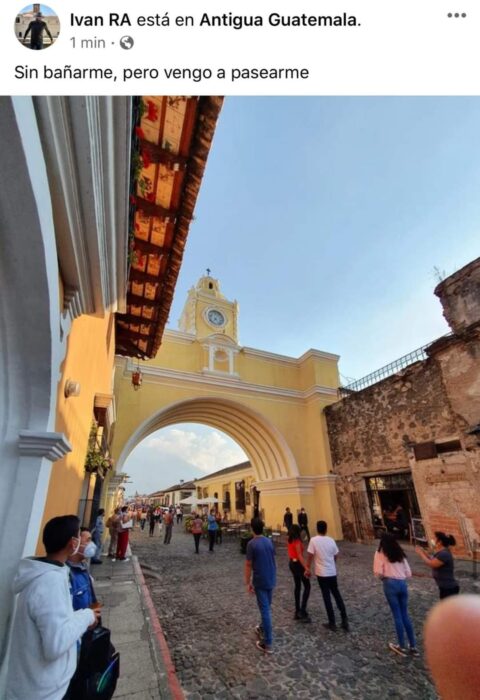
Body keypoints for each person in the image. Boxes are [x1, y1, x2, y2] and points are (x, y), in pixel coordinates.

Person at [5, 515, 99, 700]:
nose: (85, 542)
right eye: (80, 537)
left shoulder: (49, 575)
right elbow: (56, 643)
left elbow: (56, 622)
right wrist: (86, 615)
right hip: (46, 693)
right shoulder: (50, 583)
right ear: (73, 543)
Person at [374, 533, 418, 657]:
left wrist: (383, 578)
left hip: (390, 584)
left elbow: (378, 572)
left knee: (397, 615)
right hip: (402, 584)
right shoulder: (400, 554)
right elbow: (408, 573)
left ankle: (401, 646)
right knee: (405, 614)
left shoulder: (380, 553)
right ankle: (413, 646)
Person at [305, 520, 349, 631]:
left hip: (321, 573)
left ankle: (332, 622)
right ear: (326, 529)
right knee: (337, 594)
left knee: (326, 596)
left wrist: (307, 568)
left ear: (317, 528)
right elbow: (336, 555)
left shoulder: (313, 540)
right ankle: (344, 619)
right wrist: (332, 564)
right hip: (332, 572)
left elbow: (310, 556)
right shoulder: (331, 540)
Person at [245, 517, 276, 654]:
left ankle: (267, 643)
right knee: (267, 606)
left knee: (265, 610)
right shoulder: (269, 541)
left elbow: (248, 564)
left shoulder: (251, 544)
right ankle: (263, 627)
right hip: (271, 578)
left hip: (260, 580)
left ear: (252, 528)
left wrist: (248, 582)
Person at [415, 531, 460, 599]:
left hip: (448, 588)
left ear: (440, 542)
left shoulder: (444, 554)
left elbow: (432, 564)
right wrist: (423, 552)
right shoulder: (441, 552)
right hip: (445, 587)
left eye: (435, 539)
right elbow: (432, 558)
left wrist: (421, 554)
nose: (434, 540)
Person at [67, 528, 98, 610]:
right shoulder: (67, 575)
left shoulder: (83, 566)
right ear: (75, 543)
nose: (91, 544)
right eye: (88, 540)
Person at [288, 524, 311, 622]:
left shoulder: (289, 539)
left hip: (291, 563)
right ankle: (302, 610)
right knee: (307, 586)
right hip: (298, 564)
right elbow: (300, 556)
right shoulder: (297, 542)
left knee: (297, 586)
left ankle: (297, 610)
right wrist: (306, 567)